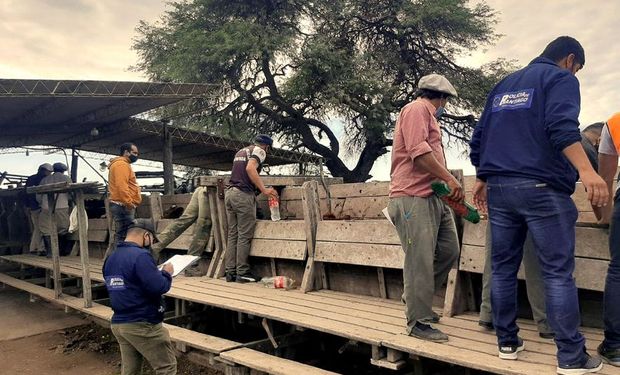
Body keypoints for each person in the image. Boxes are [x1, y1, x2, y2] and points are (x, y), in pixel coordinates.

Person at [470, 36, 607, 373]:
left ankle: (507, 342)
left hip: (500, 189)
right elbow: (562, 128)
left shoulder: (503, 85)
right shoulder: (560, 79)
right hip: (542, 188)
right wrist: (589, 172)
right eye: (577, 70)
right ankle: (572, 357)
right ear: (570, 60)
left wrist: (483, 175)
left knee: (502, 267)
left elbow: (480, 135)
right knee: (558, 273)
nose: (575, 76)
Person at [387, 74, 461, 343]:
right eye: (445, 102)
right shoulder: (417, 109)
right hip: (411, 197)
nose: (445, 106)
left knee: (450, 250)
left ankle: (415, 298)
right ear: (441, 98)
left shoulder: (429, 116)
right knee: (418, 259)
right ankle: (418, 320)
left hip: (432, 196)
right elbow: (419, 153)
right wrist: (450, 178)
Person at [103, 219, 177, 375]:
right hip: (142, 323)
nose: (151, 243)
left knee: (131, 371)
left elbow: (124, 283)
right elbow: (159, 287)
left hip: (120, 323)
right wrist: (166, 273)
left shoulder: (111, 257)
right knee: (166, 367)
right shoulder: (140, 256)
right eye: (151, 239)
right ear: (146, 235)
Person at [224, 135, 278, 283]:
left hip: (230, 193)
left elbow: (241, 172)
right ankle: (242, 272)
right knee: (244, 235)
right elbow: (250, 168)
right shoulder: (260, 151)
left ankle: (230, 272)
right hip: (242, 195)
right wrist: (265, 190)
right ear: (267, 146)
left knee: (232, 234)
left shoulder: (241, 151)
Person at [593, 112, 620, 366]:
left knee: (619, 270)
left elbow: (606, 178)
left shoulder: (615, 122)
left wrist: (606, 218)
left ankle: (614, 347)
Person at [151, 186, 212, 276]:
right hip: (211, 190)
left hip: (202, 188)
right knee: (204, 224)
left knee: (184, 220)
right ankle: (191, 264)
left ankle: (154, 248)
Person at [106, 143, 142, 258]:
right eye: (134, 153)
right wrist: (129, 203)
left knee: (121, 234)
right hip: (123, 205)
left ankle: (116, 259)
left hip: (121, 204)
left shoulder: (120, 164)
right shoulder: (122, 165)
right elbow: (122, 187)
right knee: (124, 235)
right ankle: (118, 260)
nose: (136, 155)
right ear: (126, 152)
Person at [38, 162, 73, 257]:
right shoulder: (66, 178)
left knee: (46, 229)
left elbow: (38, 195)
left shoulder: (45, 179)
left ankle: (50, 252)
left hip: (45, 208)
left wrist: (42, 204)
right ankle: (60, 252)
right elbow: (71, 194)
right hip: (62, 207)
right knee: (62, 228)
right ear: (63, 170)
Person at [24, 163, 52, 255]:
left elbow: (25, 193)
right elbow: (39, 195)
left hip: (33, 207)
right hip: (40, 206)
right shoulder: (43, 180)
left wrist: (27, 205)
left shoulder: (30, 178)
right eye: (49, 172)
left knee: (37, 228)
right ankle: (39, 248)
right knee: (43, 228)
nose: (50, 174)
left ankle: (34, 248)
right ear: (43, 171)